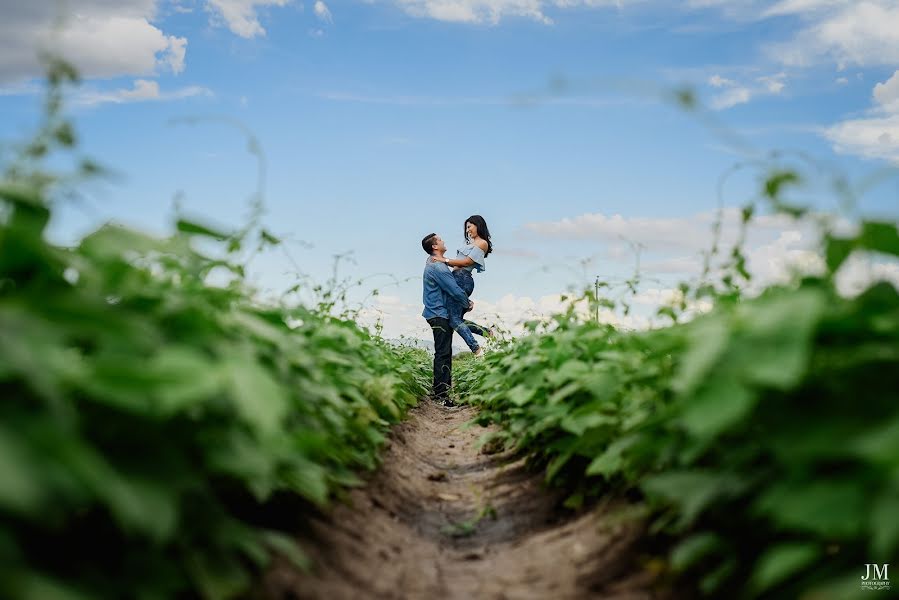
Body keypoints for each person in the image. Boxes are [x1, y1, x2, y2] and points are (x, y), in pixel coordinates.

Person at [421, 232, 473, 407]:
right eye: (440, 240)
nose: (443, 241)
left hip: (436, 313)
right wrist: (467, 302)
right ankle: (441, 396)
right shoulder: (438, 267)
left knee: (443, 352)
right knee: (443, 353)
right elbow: (454, 290)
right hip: (439, 314)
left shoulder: (434, 263)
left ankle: (440, 391)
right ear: (435, 246)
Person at [438, 215, 493, 356]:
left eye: (469, 227)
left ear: (478, 225)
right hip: (457, 278)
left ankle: (476, 350)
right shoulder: (471, 243)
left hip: (463, 279)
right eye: (466, 228)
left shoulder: (482, 243)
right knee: (456, 319)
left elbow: (467, 262)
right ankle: (486, 332)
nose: (468, 230)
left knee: (454, 319)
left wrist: (445, 260)